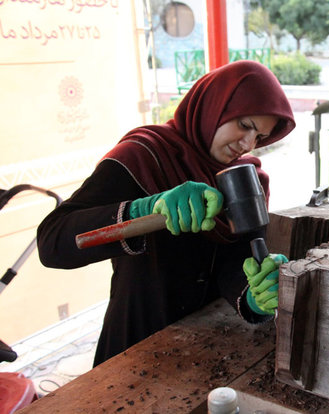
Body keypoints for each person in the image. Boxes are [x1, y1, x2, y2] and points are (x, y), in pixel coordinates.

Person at [37, 60, 296, 366]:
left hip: (208, 349)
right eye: (245, 125)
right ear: (214, 106)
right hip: (134, 345)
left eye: (259, 137)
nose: (247, 144)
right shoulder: (142, 156)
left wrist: (256, 293)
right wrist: (144, 208)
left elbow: (237, 262)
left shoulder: (246, 176)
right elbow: (53, 243)